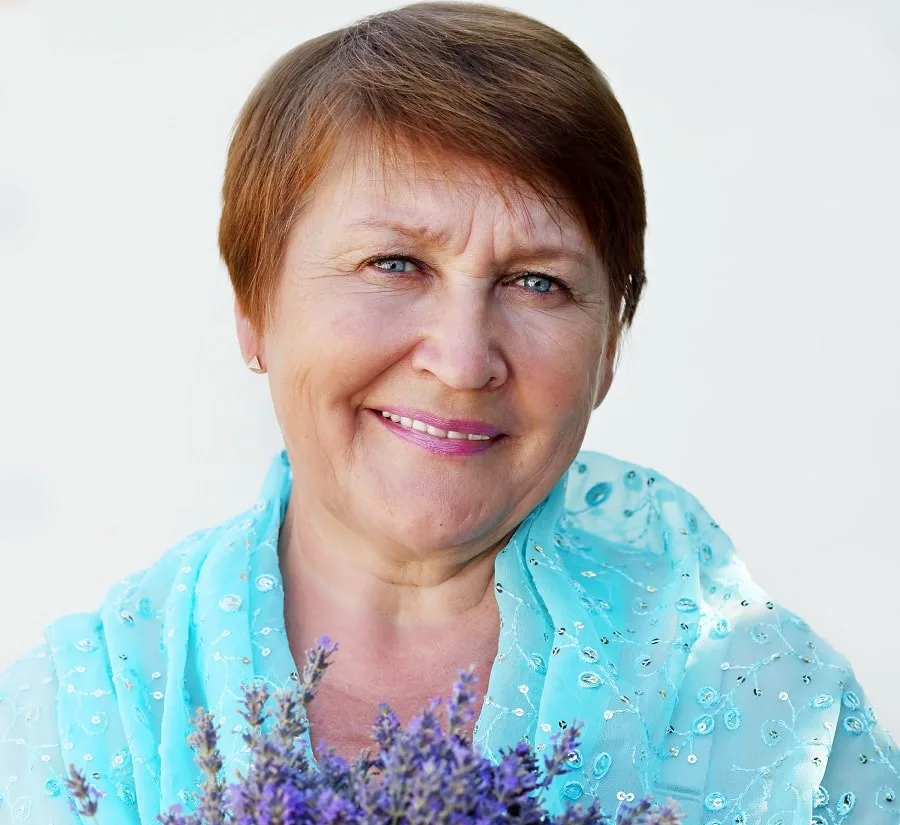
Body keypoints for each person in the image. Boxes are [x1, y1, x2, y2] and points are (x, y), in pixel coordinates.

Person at [1, 3, 897, 823]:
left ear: (611, 345)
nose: (464, 361)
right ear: (254, 305)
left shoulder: (775, 705)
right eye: (395, 263)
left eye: (537, 281)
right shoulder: (84, 716)